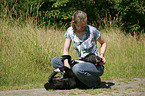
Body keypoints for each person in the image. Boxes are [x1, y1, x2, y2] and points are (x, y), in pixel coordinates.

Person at [51, 10, 106, 88]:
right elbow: (66, 50)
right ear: (74, 23)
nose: (83, 28)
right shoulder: (70, 31)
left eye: (84, 25)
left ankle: (94, 81)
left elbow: (103, 43)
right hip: (80, 62)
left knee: (76, 68)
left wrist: (101, 55)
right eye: (81, 26)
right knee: (55, 61)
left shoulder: (92, 30)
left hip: (94, 64)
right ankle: (79, 78)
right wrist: (66, 62)